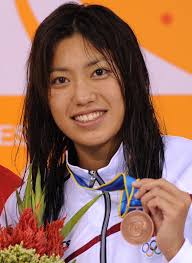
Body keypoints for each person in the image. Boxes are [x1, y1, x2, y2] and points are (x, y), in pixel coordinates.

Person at [1, 2, 192, 262]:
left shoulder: (185, 168)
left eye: (99, 72)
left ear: (130, 77)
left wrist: (177, 250)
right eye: (60, 80)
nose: (82, 96)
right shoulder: (27, 206)